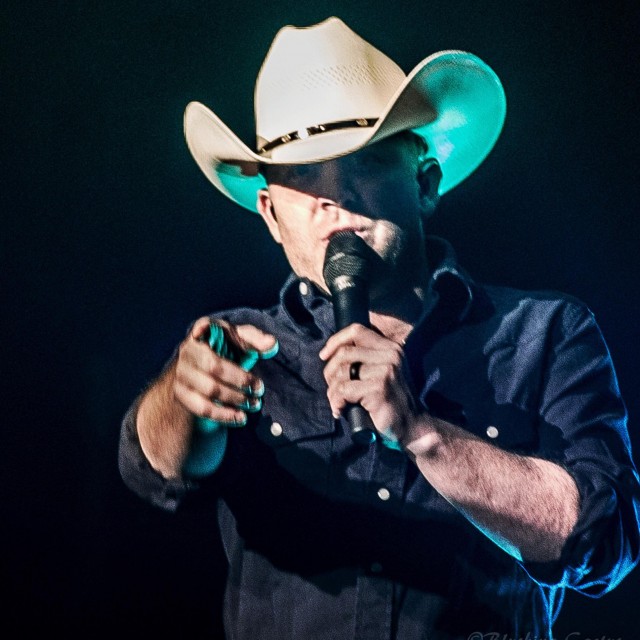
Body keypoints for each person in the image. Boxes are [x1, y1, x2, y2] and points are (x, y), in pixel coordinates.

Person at [119, 16, 640, 639]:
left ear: (423, 182)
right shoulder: (241, 346)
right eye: (301, 177)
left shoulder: (545, 333)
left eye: (361, 163)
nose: (331, 200)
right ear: (270, 214)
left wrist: (424, 434)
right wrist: (182, 398)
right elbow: (152, 472)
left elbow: (603, 541)